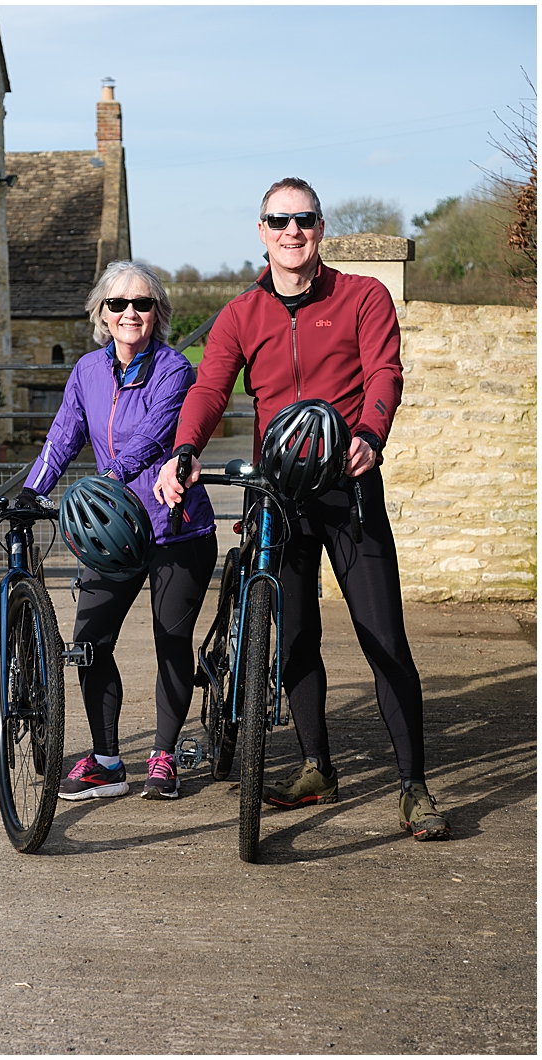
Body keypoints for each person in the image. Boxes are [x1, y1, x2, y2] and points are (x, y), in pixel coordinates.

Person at [153, 177, 446, 840]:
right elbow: (208, 387)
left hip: (346, 485)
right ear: (261, 231)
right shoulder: (240, 314)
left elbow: (384, 373)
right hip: (274, 494)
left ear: (320, 228)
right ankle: (317, 766)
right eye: (279, 220)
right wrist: (185, 449)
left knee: (384, 638)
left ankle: (412, 787)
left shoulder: (361, 297)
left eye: (304, 219)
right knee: (294, 636)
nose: (292, 231)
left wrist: (370, 434)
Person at [19, 261, 217, 801]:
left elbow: (155, 437)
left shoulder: (174, 369)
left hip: (176, 528)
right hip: (112, 534)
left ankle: (163, 756)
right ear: (101, 314)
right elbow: (63, 436)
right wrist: (34, 490)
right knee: (89, 643)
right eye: (118, 304)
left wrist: (107, 479)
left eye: (142, 304)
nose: (130, 313)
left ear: (158, 314)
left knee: (170, 641)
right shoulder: (86, 372)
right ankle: (107, 761)